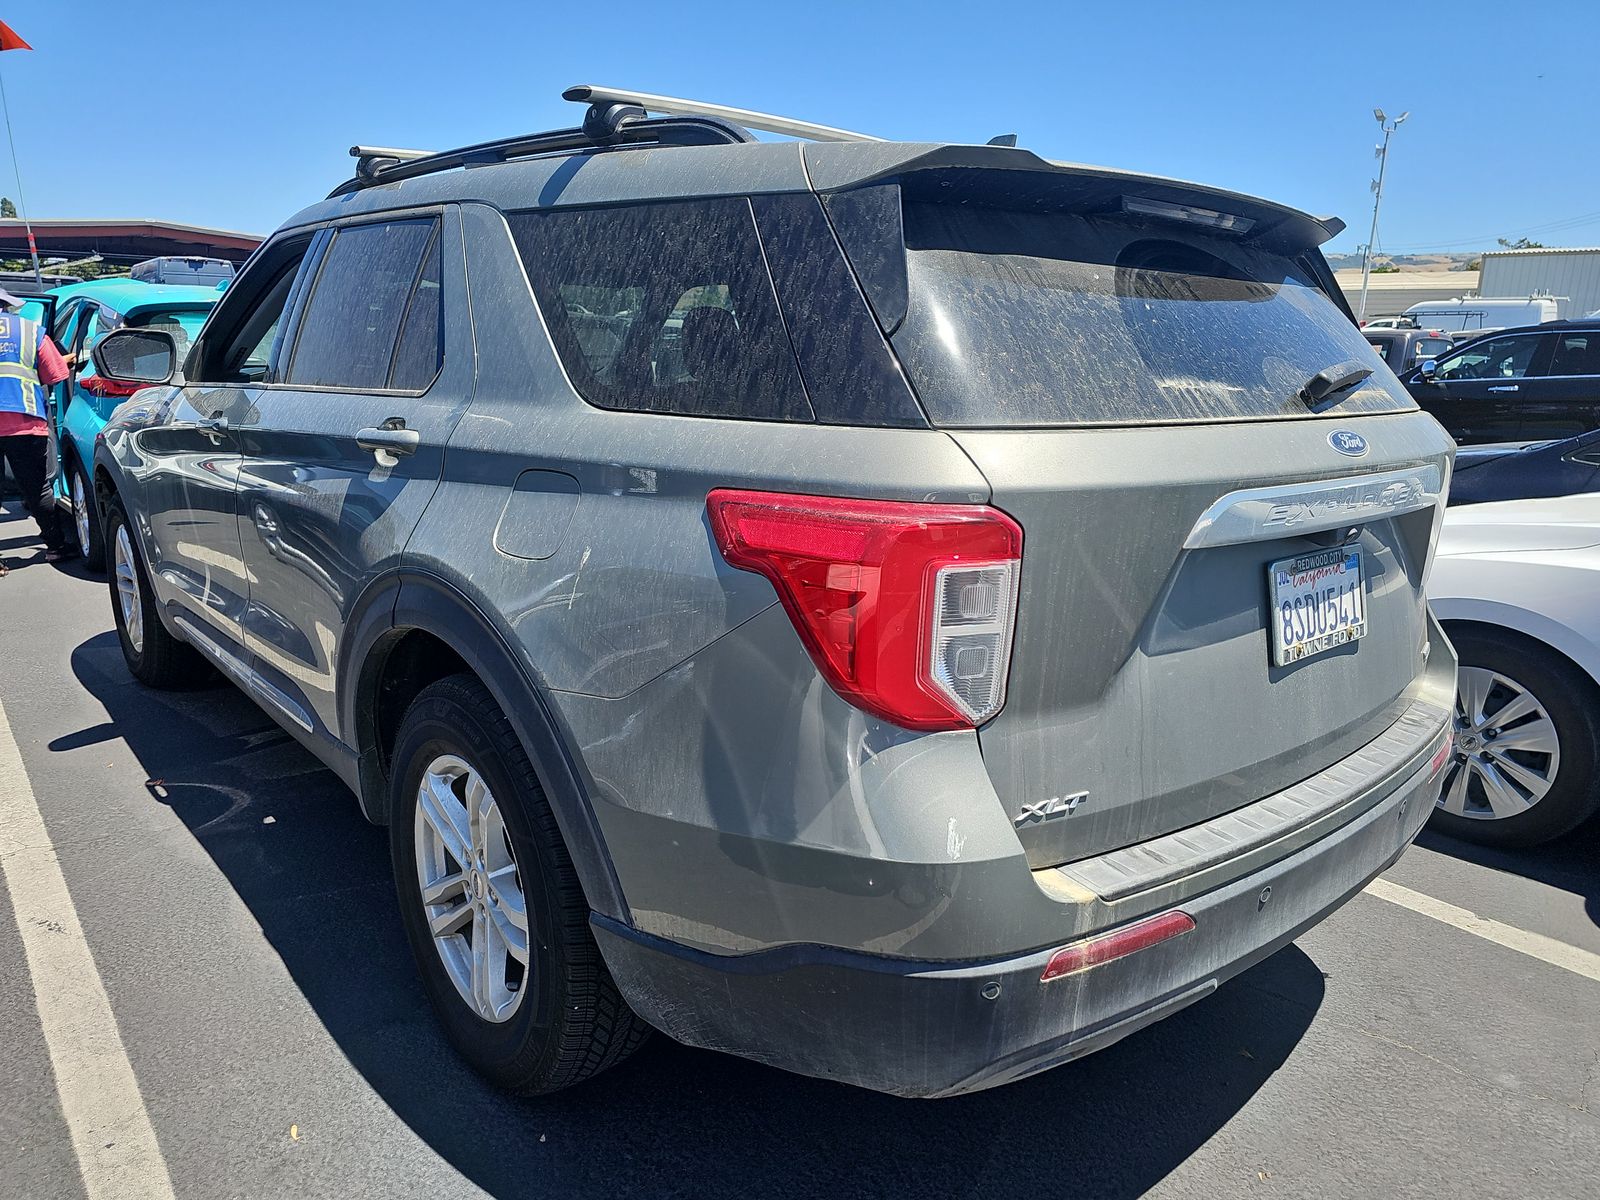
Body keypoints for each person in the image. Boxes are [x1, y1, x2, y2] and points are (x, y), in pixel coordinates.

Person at [0, 288, 71, 576]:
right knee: (37, 486)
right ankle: (55, 546)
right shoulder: (29, 331)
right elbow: (56, 374)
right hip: (25, 421)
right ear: (7, 306)